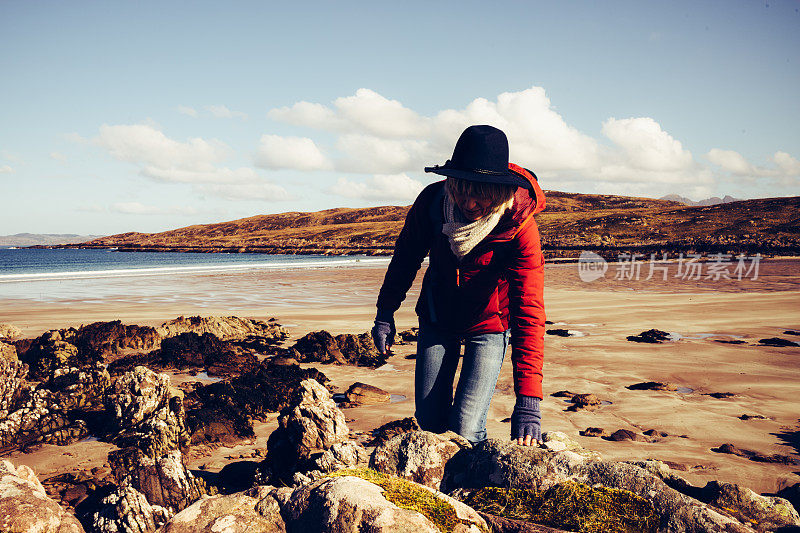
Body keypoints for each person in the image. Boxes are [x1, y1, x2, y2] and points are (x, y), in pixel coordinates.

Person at [371, 124, 547, 446]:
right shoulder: (432, 203)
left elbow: (529, 309)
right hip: (438, 318)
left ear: (499, 191)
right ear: (451, 181)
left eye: (481, 194)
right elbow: (406, 257)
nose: (469, 203)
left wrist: (529, 402)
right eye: (463, 190)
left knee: (465, 428)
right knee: (429, 424)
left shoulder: (519, 227)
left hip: (490, 324)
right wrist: (385, 312)